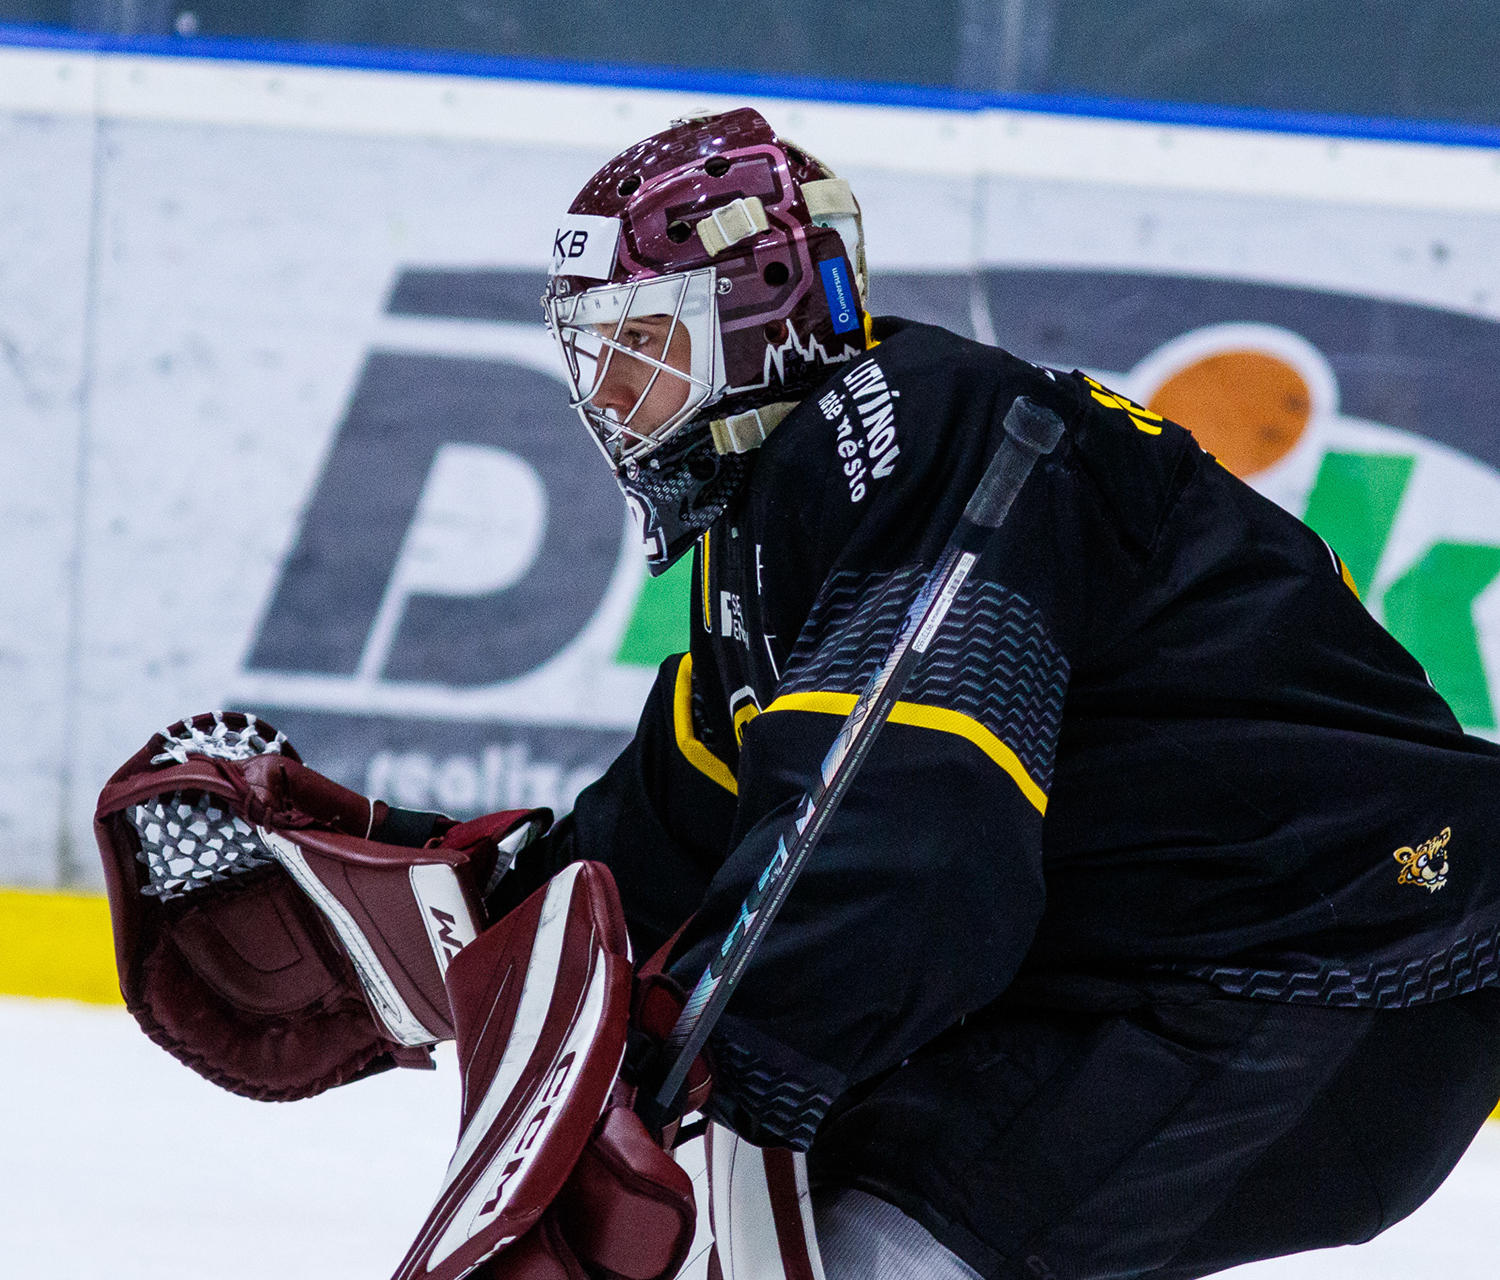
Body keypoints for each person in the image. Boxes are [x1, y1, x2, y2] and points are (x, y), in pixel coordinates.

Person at [475, 106, 1500, 1278]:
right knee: (813, 1203)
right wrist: (476, 907)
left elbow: (921, 825)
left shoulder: (919, 434)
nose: (612, 393)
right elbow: (680, 823)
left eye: (645, 343)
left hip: (1346, 950)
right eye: (597, 355)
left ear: (763, 313)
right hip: (1184, 959)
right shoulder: (776, 520)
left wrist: (727, 1053)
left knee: (875, 1244)